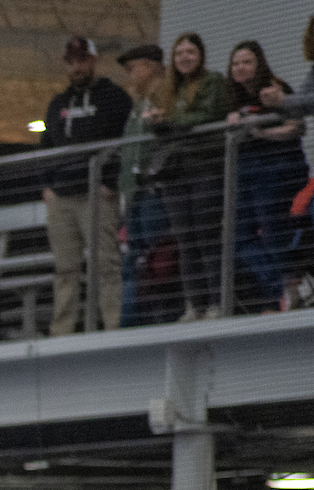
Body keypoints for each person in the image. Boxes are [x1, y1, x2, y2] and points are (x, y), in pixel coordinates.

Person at [39, 36, 133, 335]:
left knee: (106, 264)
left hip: (97, 194)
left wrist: (110, 182)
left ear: (94, 60)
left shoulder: (114, 98)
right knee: (65, 268)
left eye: (82, 60)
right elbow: (45, 147)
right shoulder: (58, 104)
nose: (77, 67)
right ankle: (62, 329)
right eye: (72, 62)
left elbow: (126, 142)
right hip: (63, 196)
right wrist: (47, 186)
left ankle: (114, 324)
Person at [143, 33, 237, 320]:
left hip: (204, 168)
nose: (185, 57)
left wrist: (170, 124)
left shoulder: (214, 83)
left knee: (207, 236)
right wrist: (157, 125)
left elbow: (209, 116)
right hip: (175, 172)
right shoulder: (165, 90)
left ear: (201, 55)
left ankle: (216, 303)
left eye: (191, 52)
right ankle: (194, 304)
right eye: (180, 52)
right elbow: (164, 128)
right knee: (185, 240)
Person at [225, 42, 310, 312]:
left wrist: (263, 134)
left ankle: (291, 284)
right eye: (236, 63)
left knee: (272, 230)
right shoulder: (234, 97)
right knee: (237, 237)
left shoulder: (275, 89)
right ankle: (282, 285)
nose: (241, 67)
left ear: (259, 64)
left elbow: (297, 127)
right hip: (246, 169)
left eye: (247, 62)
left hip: (277, 167)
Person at [116, 43, 178, 327]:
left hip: (154, 193)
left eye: (133, 68)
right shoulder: (137, 107)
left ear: (150, 66)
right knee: (134, 261)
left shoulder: (166, 99)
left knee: (158, 260)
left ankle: (158, 319)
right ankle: (131, 321)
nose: (129, 75)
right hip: (136, 198)